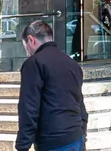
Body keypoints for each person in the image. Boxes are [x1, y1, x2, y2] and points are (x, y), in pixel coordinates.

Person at [16, 21, 87, 151]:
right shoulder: (72, 64)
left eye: (26, 47)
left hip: (52, 141)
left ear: (31, 39)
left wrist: (22, 146)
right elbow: (79, 103)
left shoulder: (34, 63)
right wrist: (83, 133)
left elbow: (29, 107)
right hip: (76, 138)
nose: (28, 52)